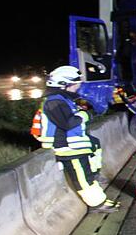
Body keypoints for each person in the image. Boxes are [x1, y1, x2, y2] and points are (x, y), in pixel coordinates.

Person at [35, 65, 119, 210]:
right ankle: (98, 204)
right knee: (83, 179)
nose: (77, 88)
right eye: (75, 85)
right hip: (67, 148)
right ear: (64, 85)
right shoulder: (54, 101)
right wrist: (85, 114)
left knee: (94, 145)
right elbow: (68, 123)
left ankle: (94, 175)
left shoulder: (61, 99)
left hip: (74, 145)